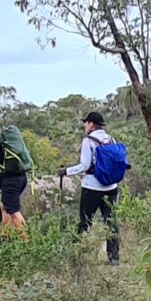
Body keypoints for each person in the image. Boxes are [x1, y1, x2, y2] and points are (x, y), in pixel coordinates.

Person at [62, 110, 124, 263]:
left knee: (85, 221)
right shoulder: (111, 139)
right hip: (111, 187)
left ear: (91, 124)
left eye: (86, 122)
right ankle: (114, 257)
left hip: (92, 187)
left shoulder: (88, 141)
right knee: (111, 222)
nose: (85, 125)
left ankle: (77, 254)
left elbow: (85, 165)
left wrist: (66, 171)